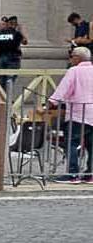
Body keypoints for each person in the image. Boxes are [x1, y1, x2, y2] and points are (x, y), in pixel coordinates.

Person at [48, 47, 93, 181]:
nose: (70, 59)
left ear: (78, 58)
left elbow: (63, 89)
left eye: (72, 56)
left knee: (71, 143)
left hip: (78, 114)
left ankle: (72, 173)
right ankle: (90, 174)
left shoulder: (74, 71)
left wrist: (51, 103)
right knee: (91, 145)